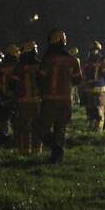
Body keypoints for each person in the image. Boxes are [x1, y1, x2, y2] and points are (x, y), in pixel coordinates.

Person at [37, 29, 83, 163]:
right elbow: (78, 80)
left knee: (41, 129)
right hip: (66, 100)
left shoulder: (48, 59)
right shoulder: (73, 60)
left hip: (50, 100)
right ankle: (57, 158)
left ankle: (56, 149)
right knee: (60, 129)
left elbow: (40, 78)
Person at [11, 40, 43, 155]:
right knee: (37, 125)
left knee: (24, 126)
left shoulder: (19, 67)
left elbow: (13, 84)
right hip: (38, 101)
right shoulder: (40, 65)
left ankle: (24, 149)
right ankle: (37, 150)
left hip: (23, 101)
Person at [82, 40, 105, 131]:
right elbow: (84, 74)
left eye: (95, 49)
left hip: (99, 90)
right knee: (90, 110)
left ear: (98, 50)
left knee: (99, 110)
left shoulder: (102, 60)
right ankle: (90, 128)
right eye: (92, 50)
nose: (93, 51)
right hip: (89, 90)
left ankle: (98, 130)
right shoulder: (87, 61)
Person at [0, 44, 21, 137]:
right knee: (16, 116)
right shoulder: (18, 65)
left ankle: (3, 134)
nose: (19, 53)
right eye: (17, 51)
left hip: (3, 95)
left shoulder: (2, 66)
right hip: (16, 94)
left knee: (4, 116)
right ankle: (16, 135)